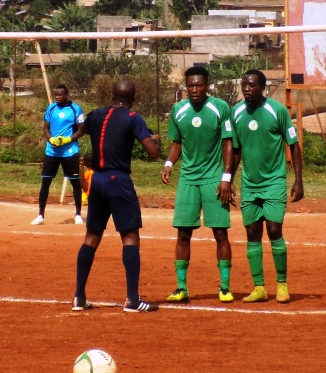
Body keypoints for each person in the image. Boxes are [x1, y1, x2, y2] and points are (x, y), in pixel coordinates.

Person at [68, 78, 162, 312]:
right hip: (118, 181)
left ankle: (79, 297)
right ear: (134, 98)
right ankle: (132, 299)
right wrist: (156, 141)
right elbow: (152, 153)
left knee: (91, 237)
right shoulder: (133, 118)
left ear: (112, 95)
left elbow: (81, 130)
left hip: (97, 181)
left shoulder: (96, 114)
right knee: (130, 236)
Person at [162, 65, 235, 303]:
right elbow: (177, 143)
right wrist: (169, 164)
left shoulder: (220, 107)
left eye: (199, 85)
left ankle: (224, 287)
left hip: (214, 178)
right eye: (190, 85)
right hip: (188, 179)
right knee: (183, 233)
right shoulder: (178, 109)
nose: (194, 89)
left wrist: (226, 178)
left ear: (207, 85)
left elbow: (228, 143)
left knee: (220, 232)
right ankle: (181, 287)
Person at [230, 69, 303, 304]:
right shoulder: (236, 112)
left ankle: (282, 285)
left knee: (273, 230)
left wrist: (298, 180)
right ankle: (259, 287)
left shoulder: (277, 111)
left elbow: (294, 144)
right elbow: (236, 150)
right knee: (252, 233)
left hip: (274, 181)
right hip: (249, 184)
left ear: (263, 88)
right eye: (244, 84)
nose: (246, 88)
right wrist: (228, 180)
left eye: (251, 85)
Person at [31, 85, 85, 225]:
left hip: (70, 151)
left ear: (67, 94)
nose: (57, 97)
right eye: (55, 95)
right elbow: (45, 128)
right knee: (46, 182)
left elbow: (81, 130)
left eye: (60, 95)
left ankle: (78, 214)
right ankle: (41, 215)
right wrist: (51, 139)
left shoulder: (76, 109)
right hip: (52, 151)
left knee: (75, 183)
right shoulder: (51, 108)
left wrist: (68, 139)